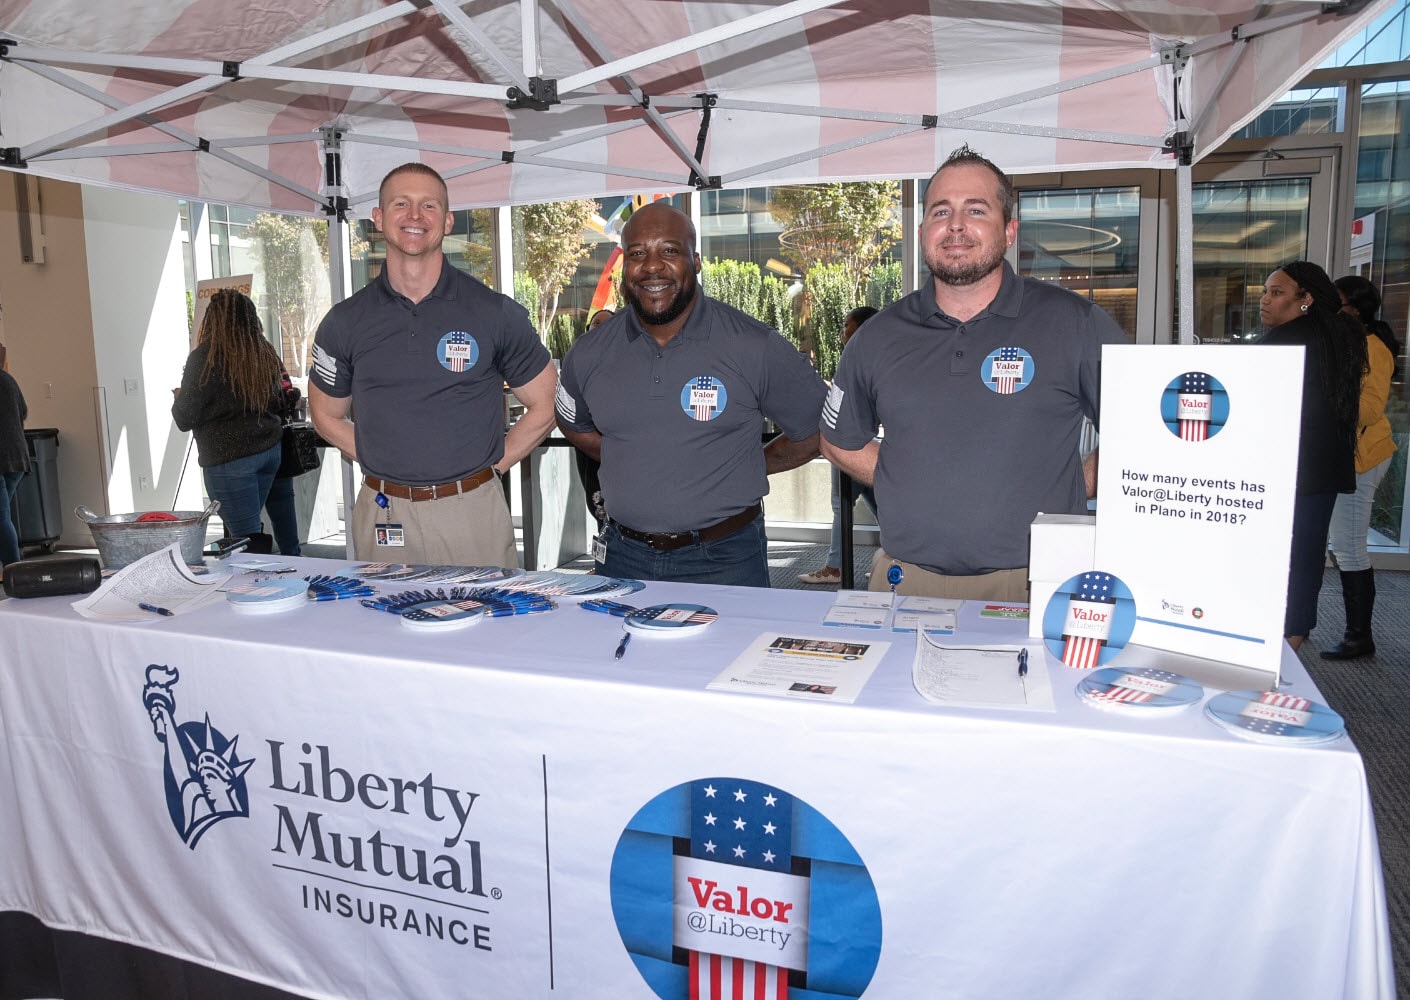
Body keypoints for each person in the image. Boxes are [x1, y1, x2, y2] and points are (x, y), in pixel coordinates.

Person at [820, 145, 1126, 601]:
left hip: (1034, 581)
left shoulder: (1074, 323)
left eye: (976, 209)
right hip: (906, 581)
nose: (956, 225)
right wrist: (905, 476)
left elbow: (1141, 429)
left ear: (1009, 231)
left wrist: (1070, 481)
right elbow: (837, 440)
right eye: (941, 211)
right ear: (923, 231)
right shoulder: (878, 336)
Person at [556, 202, 827, 587]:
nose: (652, 266)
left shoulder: (754, 346)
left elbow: (818, 430)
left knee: (734, 650)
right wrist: (635, 457)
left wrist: (746, 464)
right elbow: (573, 423)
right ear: (624, 267)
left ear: (696, 261)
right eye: (637, 254)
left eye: (669, 250)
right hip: (621, 556)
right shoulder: (589, 353)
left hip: (725, 558)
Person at [307, 162, 556, 567]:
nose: (415, 216)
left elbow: (546, 403)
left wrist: (493, 465)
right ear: (379, 219)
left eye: (429, 206)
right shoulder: (345, 321)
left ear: (448, 221)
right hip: (383, 510)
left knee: (486, 625)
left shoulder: (494, 313)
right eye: (401, 203)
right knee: (381, 626)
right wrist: (381, 460)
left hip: (471, 511)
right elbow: (325, 414)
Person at [1257, 261, 1365, 652]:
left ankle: (1283, 635)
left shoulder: (1283, 342)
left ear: (1306, 299)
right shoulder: (1342, 335)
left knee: (1278, 555)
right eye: (1266, 292)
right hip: (1323, 466)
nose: (1265, 300)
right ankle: (1296, 633)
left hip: (1285, 467)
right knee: (1306, 553)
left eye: (1277, 292)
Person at [172, 289, 292, 555]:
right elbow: (277, 399)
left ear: (213, 320)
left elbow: (185, 417)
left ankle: (259, 590)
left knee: (245, 541)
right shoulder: (263, 351)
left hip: (230, 459)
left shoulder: (205, 358)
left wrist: (179, 396)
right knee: (251, 530)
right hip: (268, 450)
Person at [1320, 274, 1400, 658]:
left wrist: (1327, 397)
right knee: (1341, 544)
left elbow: (1370, 408)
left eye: (1337, 304)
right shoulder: (1346, 342)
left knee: (1349, 548)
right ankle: (1357, 635)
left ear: (1356, 309)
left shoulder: (1373, 347)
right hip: (1342, 455)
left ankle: (1359, 638)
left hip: (1363, 457)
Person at [799, 305, 878, 585]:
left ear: (860, 328)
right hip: (868, 442)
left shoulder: (857, 358)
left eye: (847, 325)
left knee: (840, 504)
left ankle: (835, 567)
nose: (842, 331)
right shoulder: (880, 356)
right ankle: (897, 559)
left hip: (852, 443)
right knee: (880, 503)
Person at [574, 308, 616, 528]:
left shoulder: (627, 360)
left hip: (617, 449)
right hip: (588, 447)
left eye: (607, 324)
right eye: (596, 324)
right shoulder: (579, 361)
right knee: (597, 504)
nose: (600, 328)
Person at [263, 365, 303, 556]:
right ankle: (294, 560)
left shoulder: (217, 358)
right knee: (283, 509)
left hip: (237, 453)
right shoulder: (269, 357)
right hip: (276, 444)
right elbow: (289, 395)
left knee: (246, 524)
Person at [0, 345, 28, 571]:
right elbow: (24, 412)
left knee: (1, 518)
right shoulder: (9, 381)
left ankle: (13, 569)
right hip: (17, 456)